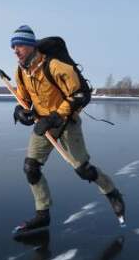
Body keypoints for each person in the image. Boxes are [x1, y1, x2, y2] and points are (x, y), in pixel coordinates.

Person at [10, 25, 125, 234]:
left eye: (19, 45)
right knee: (31, 167)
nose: (15, 50)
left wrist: (56, 117)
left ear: (30, 45)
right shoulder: (21, 71)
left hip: (66, 123)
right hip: (43, 124)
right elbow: (24, 99)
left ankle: (111, 191)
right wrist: (20, 111)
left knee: (83, 170)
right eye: (13, 46)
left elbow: (80, 94)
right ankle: (42, 214)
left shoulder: (54, 66)